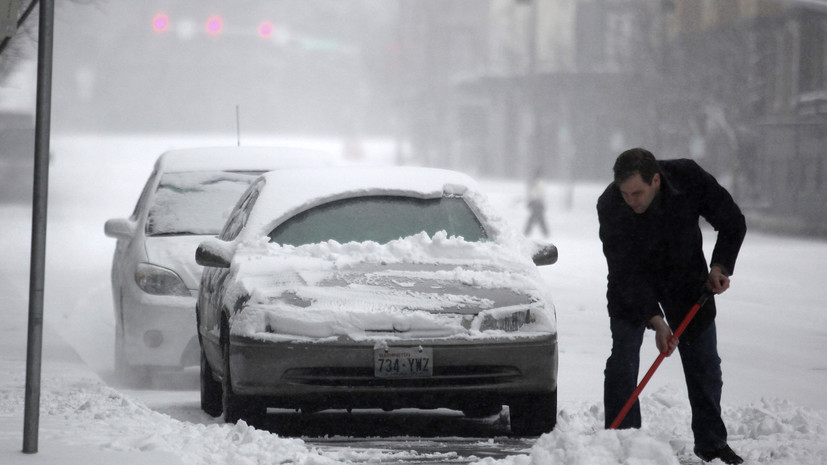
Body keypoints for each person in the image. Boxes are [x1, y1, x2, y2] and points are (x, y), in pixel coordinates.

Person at [596, 148, 747, 465]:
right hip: (632, 284)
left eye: (637, 193)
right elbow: (624, 272)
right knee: (623, 358)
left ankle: (712, 445)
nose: (631, 201)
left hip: (685, 281)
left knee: (705, 364)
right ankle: (622, 443)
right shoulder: (610, 204)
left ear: (655, 180)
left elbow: (732, 221)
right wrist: (657, 321)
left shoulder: (688, 178)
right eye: (625, 194)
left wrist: (720, 267)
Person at [524, 172, 549, 237]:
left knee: (535, 218)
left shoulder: (538, 183)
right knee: (539, 219)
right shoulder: (538, 182)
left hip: (537, 203)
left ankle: (527, 232)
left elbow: (536, 194)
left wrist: (532, 201)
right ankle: (545, 233)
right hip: (537, 203)